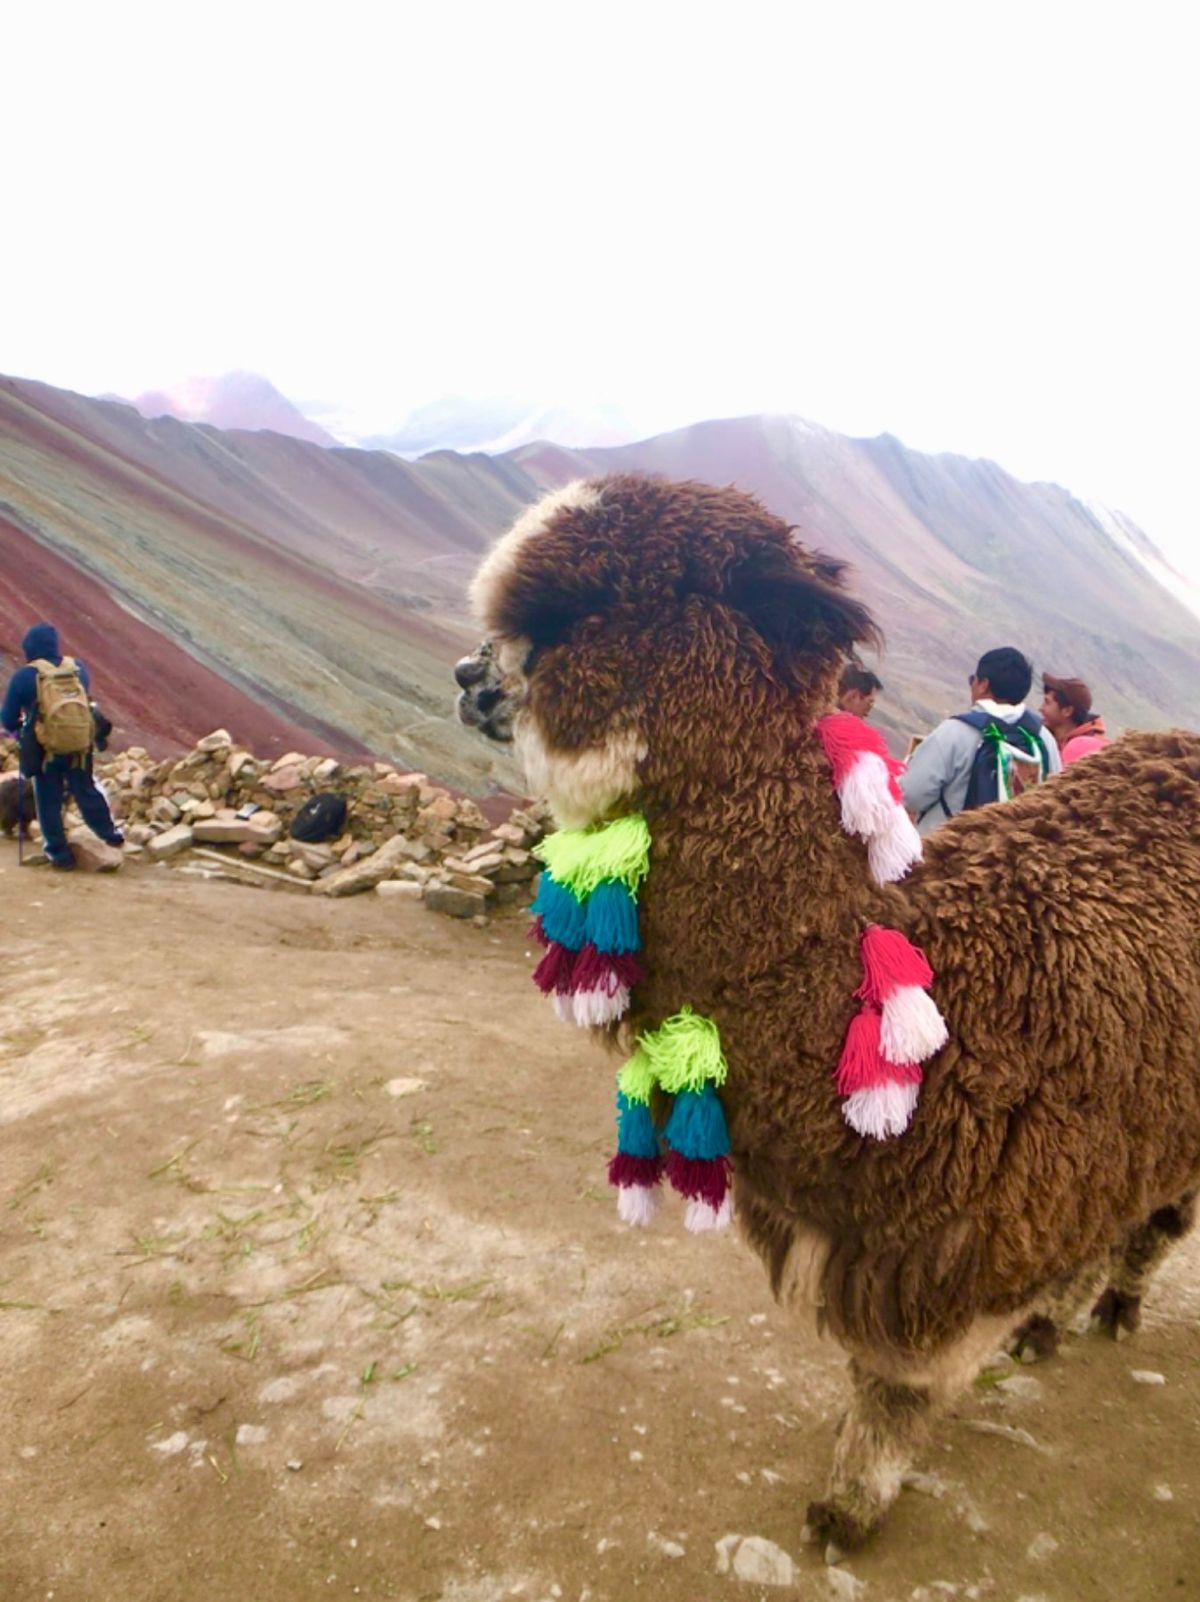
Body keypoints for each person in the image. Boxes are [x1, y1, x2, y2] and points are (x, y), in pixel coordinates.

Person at [0, 622, 123, 869]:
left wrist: (20, 732)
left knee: (48, 800)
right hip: (80, 746)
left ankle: (59, 854)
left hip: (46, 750)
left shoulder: (25, 676)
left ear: (30, 647)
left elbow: (8, 718)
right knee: (86, 790)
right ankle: (111, 835)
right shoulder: (77, 668)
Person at [899, 646, 1061, 833]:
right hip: (1016, 847)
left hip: (952, 846)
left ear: (983, 684)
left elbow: (911, 795)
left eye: (973, 680)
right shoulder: (1043, 738)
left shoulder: (955, 732)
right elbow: (1055, 799)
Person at [1039, 673, 1110, 764]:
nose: (1040, 708)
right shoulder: (1046, 739)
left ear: (1067, 711)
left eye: (1047, 702)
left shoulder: (1086, 752)